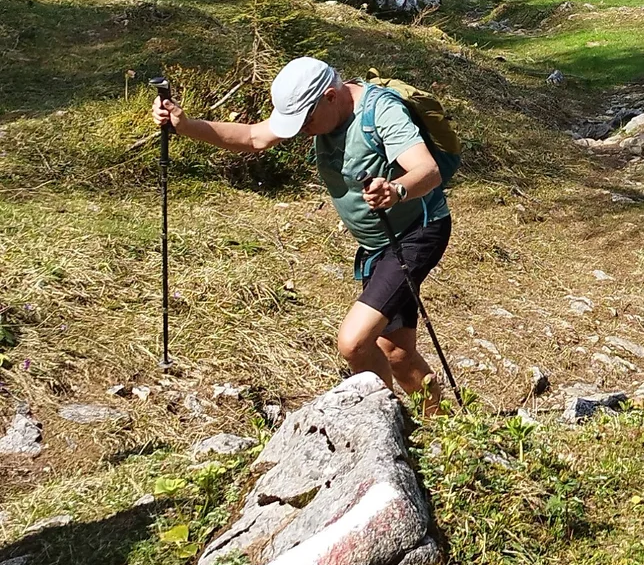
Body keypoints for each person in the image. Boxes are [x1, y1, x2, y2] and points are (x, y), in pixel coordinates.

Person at [154, 55, 451, 405]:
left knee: (354, 342)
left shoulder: (380, 112)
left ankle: (381, 427)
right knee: (395, 351)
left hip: (417, 233)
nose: (301, 131)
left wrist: (396, 190)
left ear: (330, 96)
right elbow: (252, 137)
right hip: (377, 245)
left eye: (305, 120)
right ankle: (437, 429)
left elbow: (427, 171)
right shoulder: (322, 114)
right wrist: (185, 125)